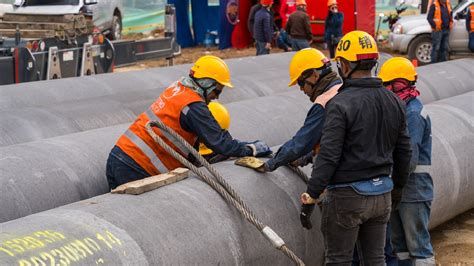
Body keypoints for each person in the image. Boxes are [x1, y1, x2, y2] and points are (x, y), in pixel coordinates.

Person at [300, 31, 412, 265]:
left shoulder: (339, 103)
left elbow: (329, 156)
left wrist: (311, 194)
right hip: (382, 195)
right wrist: (398, 188)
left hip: (347, 197)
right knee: (375, 260)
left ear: (345, 64)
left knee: (339, 260)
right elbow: (404, 152)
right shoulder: (395, 101)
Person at [106, 55, 272, 190]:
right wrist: (251, 149)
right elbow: (220, 143)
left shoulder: (178, 87)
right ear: (207, 83)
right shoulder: (193, 106)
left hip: (117, 157)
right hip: (137, 167)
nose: (217, 97)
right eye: (217, 90)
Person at [379, 57, 435, 266]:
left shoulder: (413, 113)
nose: (384, 91)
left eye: (386, 85)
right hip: (400, 188)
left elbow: (409, 159)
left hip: (413, 190)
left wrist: (395, 184)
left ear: (398, 84)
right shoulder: (400, 110)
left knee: (418, 247)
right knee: (399, 246)